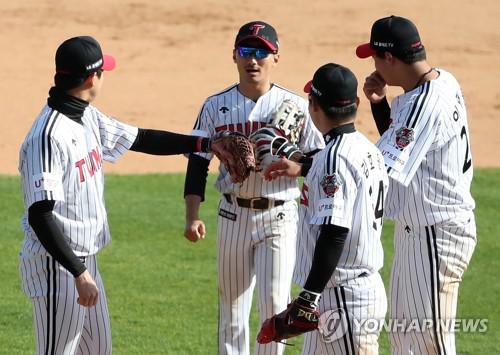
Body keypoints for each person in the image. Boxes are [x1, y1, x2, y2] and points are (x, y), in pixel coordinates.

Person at [18, 36, 218, 355]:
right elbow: (39, 215)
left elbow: (140, 139)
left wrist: (204, 144)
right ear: (91, 77)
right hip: (57, 267)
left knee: (98, 350)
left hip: (85, 262)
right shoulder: (47, 136)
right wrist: (78, 272)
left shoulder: (87, 116)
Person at [183, 21, 324, 354]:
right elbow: (197, 161)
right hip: (233, 215)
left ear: (276, 57)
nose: (253, 60)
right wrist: (192, 215)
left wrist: (298, 164)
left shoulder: (296, 107)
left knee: (275, 305)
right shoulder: (215, 106)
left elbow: (322, 156)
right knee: (232, 310)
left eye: (262, 52)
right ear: (234, 56)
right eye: (246, 51)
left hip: (279, 215)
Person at [356, 15, 477, 354]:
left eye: (375, 58)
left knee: (431, 344)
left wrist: (316, 163)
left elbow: (381, 167)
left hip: (437, 235)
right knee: (404, 339)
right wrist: (379, 104)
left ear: (390, 59)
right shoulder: (440, 82)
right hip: (419, 232)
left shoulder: (424, 104)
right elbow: (405, 144)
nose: (374, 65)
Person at [260, 63, 389, 354]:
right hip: (353, 293)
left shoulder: (334, 158)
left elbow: (334, 232)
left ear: (313, 105)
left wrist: (308, 297)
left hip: (342, 298)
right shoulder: (369, 149)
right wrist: (303, 165)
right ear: (355, 104)